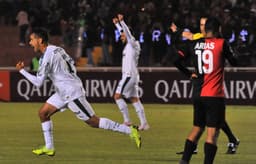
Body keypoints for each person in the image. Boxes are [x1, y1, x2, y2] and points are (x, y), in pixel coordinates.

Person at [15, 28, 141, 156]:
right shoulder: (57, 49)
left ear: (40, 40)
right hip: (63, 92)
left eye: (31, 40)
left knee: (93, 121)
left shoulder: (47, 57)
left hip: (71, 93)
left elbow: (38, 83)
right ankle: (49, 147)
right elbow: (70, 65)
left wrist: (22, 71)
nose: (30, 43)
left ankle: (130, 131)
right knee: (43, 113)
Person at [172, 17, 238, 164]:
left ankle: (184, 161)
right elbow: (235, 61)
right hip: (214, 94)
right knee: (212, 134)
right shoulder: (221, 43)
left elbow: (177, 57)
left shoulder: (196, 43)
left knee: (197, 129)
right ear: (218, 29)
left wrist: (178, 32)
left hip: (198, 93)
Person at [112, 14, 150, 131]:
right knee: (134, 99)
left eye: (122, 35)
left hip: (129, 75)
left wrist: (122, 22)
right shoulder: (129, 45)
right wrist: (117, 24)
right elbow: (124, 33)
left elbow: (127, 34)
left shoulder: (133, 43)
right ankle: (144, 124)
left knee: (117, 96)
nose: (121, 36)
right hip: (132, 75)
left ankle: (127, 121)